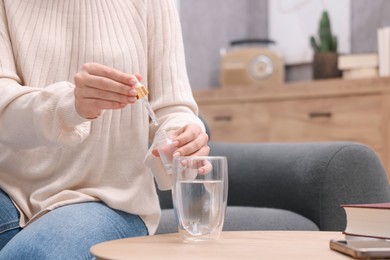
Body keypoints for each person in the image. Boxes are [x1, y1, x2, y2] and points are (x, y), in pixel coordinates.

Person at [0, 0, 209, 258]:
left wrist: (184, 138)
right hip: (8, 193)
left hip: (108, 199)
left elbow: (172, 109)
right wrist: (70, 106)